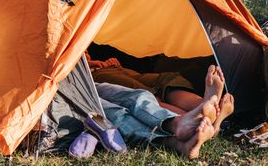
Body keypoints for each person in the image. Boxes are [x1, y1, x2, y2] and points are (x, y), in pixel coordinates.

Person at [94, 65, 234, 159]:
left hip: (115, 65)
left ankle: (201, 106)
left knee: (166, 80)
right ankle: (186, 122)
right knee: (140, 96)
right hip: (94, 71)